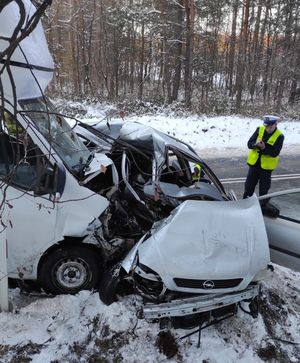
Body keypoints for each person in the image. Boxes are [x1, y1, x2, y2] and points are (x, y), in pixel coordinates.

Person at [243, 115, 284, 199]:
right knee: (248, 188)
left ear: (276, 124)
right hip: (254, 165)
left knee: (263, 191)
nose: (268, 128)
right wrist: (255, 144)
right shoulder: (259, 129)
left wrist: (264, 147)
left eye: (270, 126)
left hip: (266, 168)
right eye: (266, 126)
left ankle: (262, 207)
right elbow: (249, 143)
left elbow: (275, 153)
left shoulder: (279, 136)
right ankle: (245, 205)